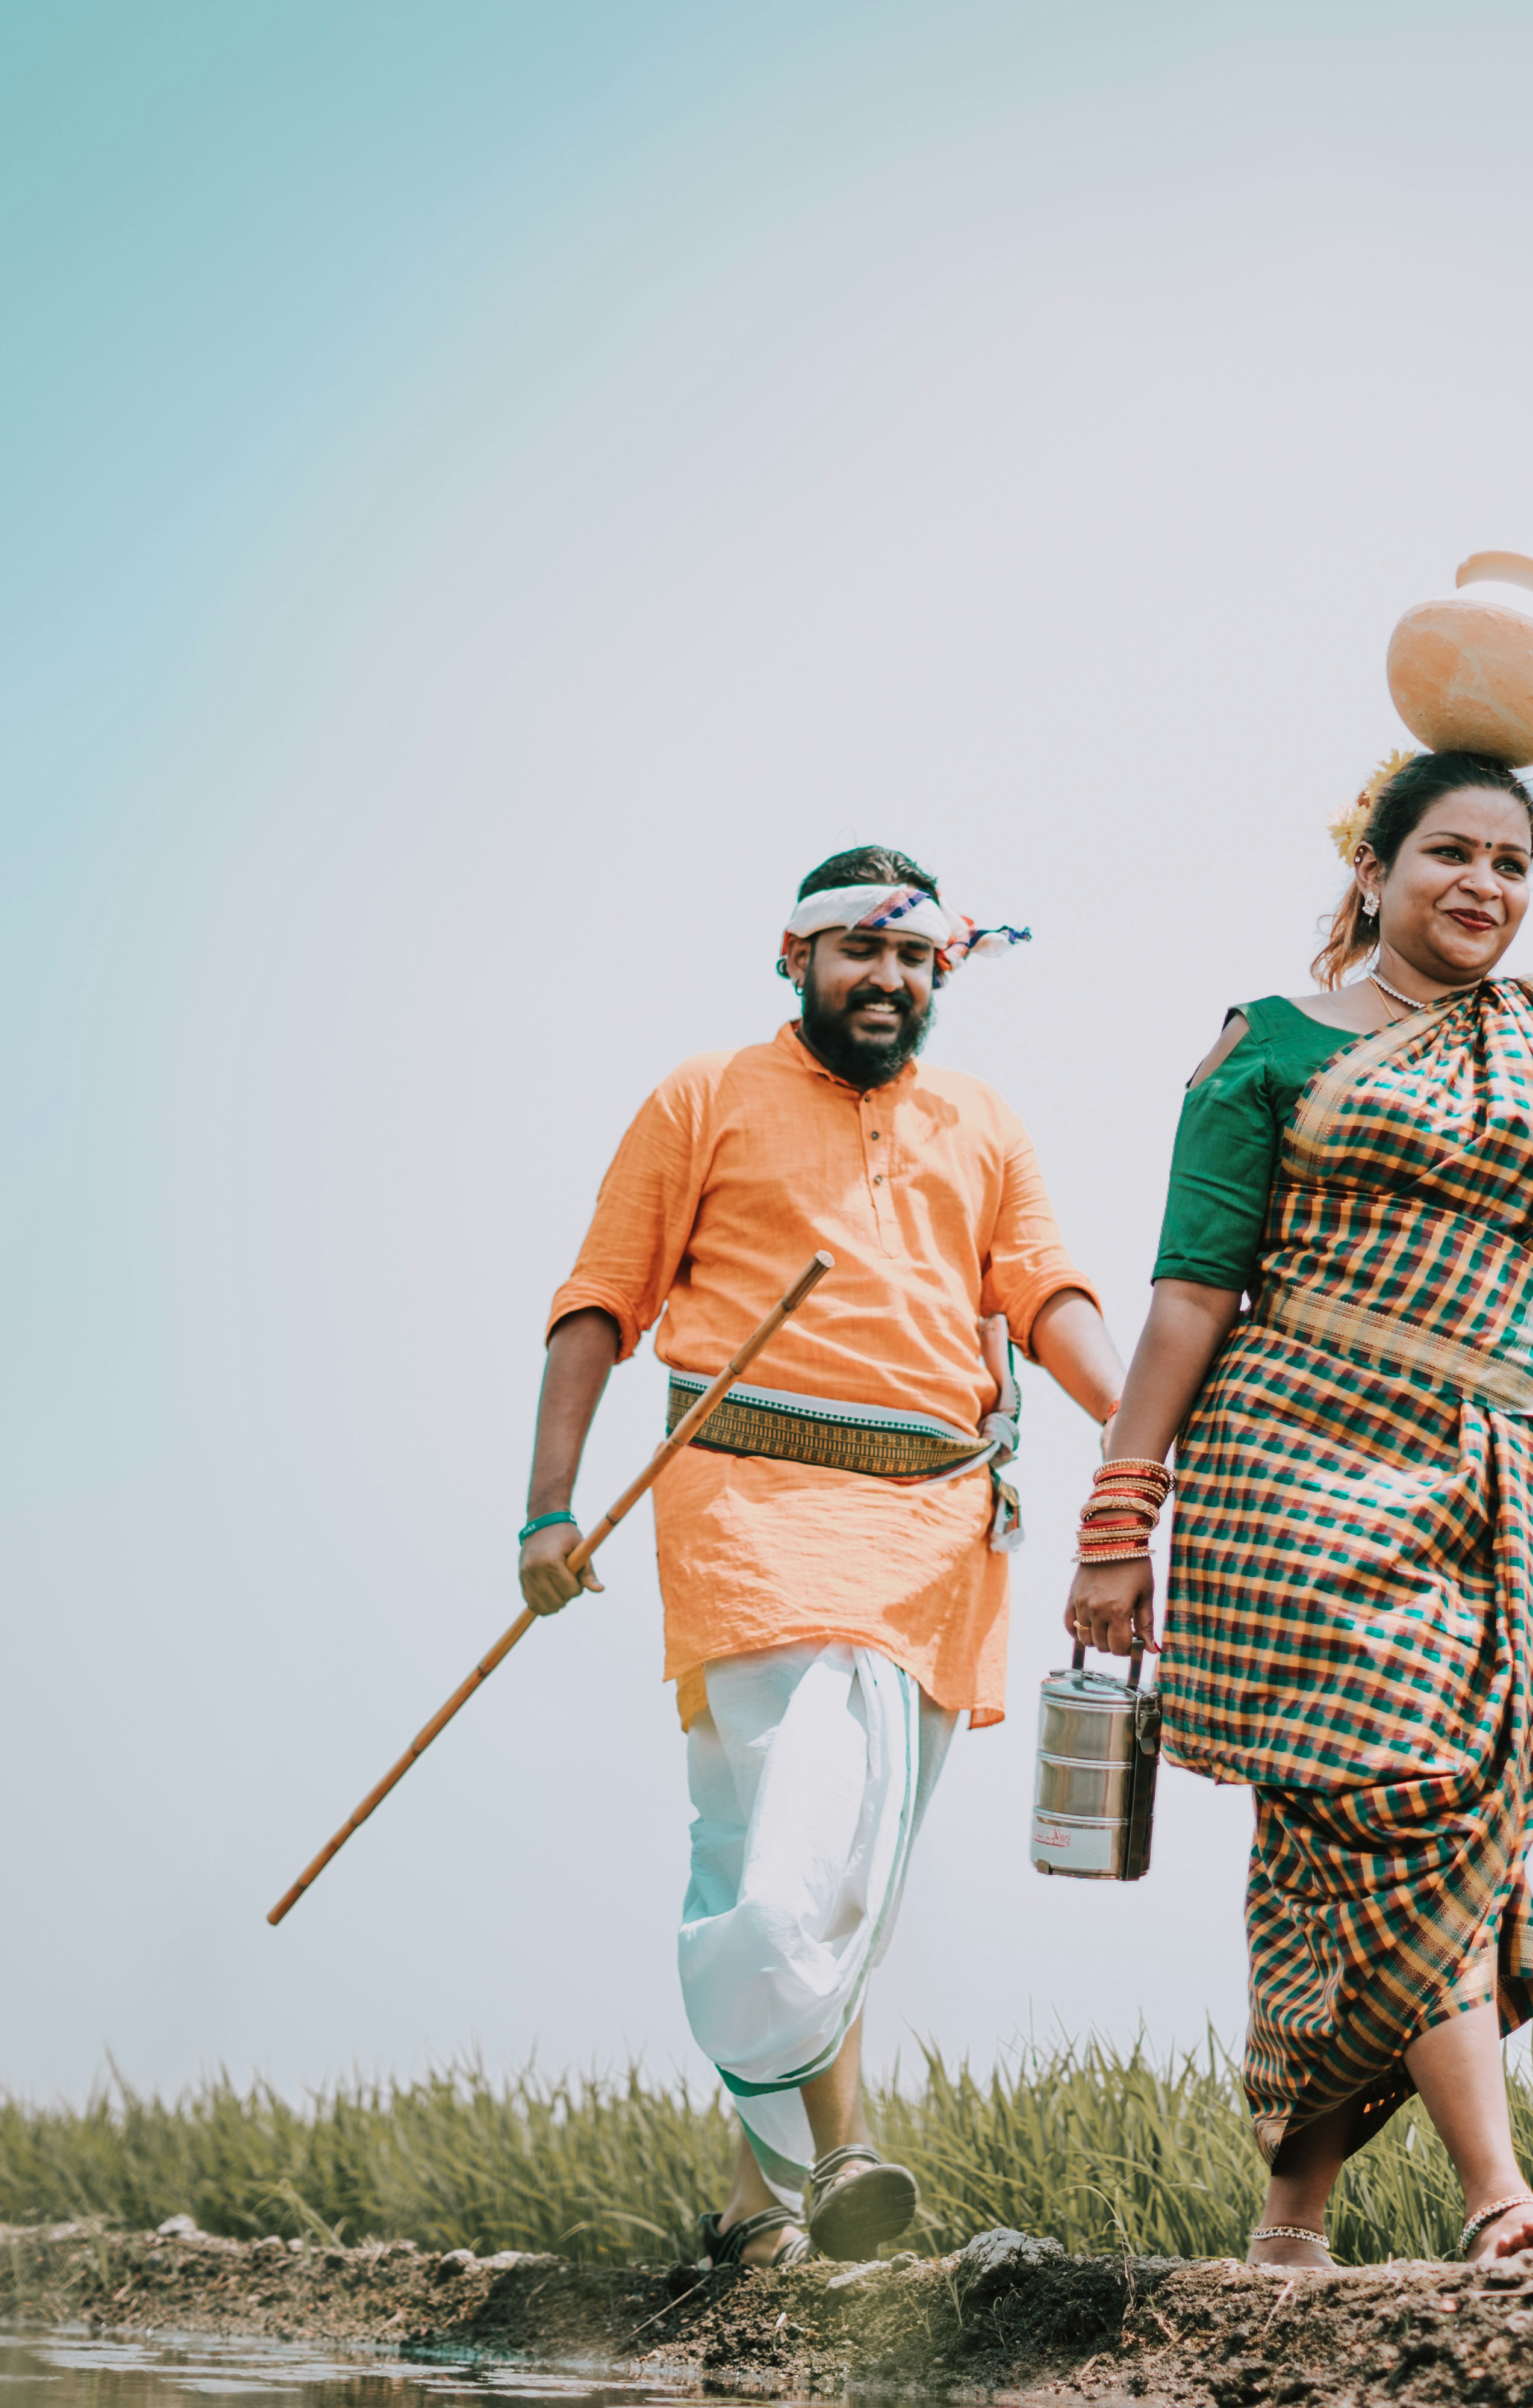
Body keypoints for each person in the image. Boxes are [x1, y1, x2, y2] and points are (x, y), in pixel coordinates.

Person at [1063, 615, 1533, 2269]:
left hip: (1485, 1489)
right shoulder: (1271, 1049)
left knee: (1384, 1834)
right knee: (1401, 1797)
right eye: (1450, 852)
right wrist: (1120, 1515)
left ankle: (1291, 2218)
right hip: (1290, 1474)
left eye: (1514, 863)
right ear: (1372, 871)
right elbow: (1183, 1299)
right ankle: (1500, 2201)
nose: (1488, 886)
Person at [523, 845, 1125, 2268]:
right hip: (753, 1516)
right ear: (794, 957)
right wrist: (548, 1510)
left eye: (918, 957)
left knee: (842, 1871)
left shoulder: (985, 1122)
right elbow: (601, 1301)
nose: (891, 979)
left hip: (936, 1536)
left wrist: (1149, 1429)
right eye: (862, 950)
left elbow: (1043, 1297)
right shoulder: (702, 1096)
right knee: (798, 1850)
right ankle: (838, 2145)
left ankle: (757, 2204)